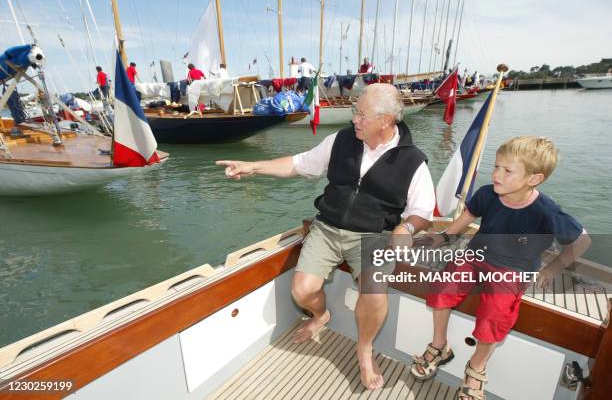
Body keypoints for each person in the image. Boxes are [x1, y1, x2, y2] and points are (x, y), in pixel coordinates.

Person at [217, 83, 436, 391]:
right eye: (354, 112)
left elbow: (422, 211)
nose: (354, 120)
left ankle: (364, 350)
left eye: (361, 114)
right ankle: (320, 315)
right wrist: (253, 166)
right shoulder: (342, 140)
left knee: (373, 294)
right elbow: (297, 164)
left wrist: (407, 228)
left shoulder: (413, 160)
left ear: (386, 120)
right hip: (329, 228)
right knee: (302, 291)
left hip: (374, 235)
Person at [409, 136, 591, 400]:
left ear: (534, 179)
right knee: (442, 286)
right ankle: (439, 346)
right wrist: (444, 237)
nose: (496, 174)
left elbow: (582, 240)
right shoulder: (487, 194)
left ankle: (476, 366)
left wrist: (552, 269)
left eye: (507, 170)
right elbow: (466, 219)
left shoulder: (546, 211)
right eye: (496, 166)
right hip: (476, 256)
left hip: (512, 269)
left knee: (495, 313)